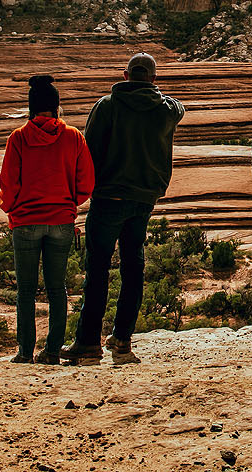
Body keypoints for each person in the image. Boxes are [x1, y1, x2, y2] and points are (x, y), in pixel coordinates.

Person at [62, 52, 185, 363]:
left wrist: (84, 190)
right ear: (154, 80)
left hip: (109, 198)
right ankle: (123, 339)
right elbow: (178, 107)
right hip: (143, 200)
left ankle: (88, 341)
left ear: (126, 75)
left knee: (98, 270)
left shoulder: (108, 105)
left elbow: (88, 153)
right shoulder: (166, 109)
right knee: (133, 268)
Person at [0, 73, 94, 364]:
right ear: (56, 107)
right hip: (61, 222)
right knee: (57, 289)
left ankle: (25, 352)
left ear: (31, 107)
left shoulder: (18, 138)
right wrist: (68, 205)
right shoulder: (73, 137)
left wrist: (12, 209)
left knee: (26, 290)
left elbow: (8, 182)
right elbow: (86, 182)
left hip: (25, 222)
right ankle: (52, 351)